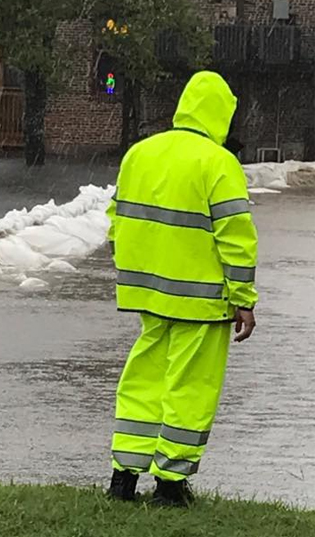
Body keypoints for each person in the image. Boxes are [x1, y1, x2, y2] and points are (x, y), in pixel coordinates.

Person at [105, 71, 258, 507]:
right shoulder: (217, 162)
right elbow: (235, 237)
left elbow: (117, 219)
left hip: (148, 292)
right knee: (190, 387)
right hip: (201, 298)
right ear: (221, 114)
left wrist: (135, 268)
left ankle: (124, 474)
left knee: (143, 379)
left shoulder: (141, 153)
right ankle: (170, 484)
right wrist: (243, 299)